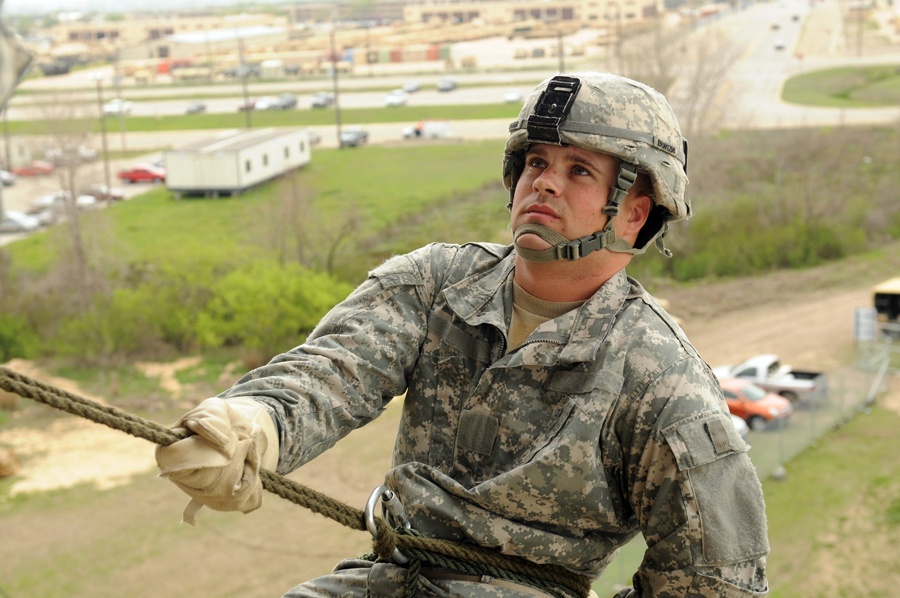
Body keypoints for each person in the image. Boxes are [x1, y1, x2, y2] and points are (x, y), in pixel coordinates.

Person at [156, 72, 770, 597]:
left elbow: (718, 578)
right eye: (535, 162)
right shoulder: (436, 284)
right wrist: (255, 426)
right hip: (389, 578)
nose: (544, 183)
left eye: (578, 170)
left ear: (636, 212)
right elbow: (334, 368)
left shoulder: (664, 382)